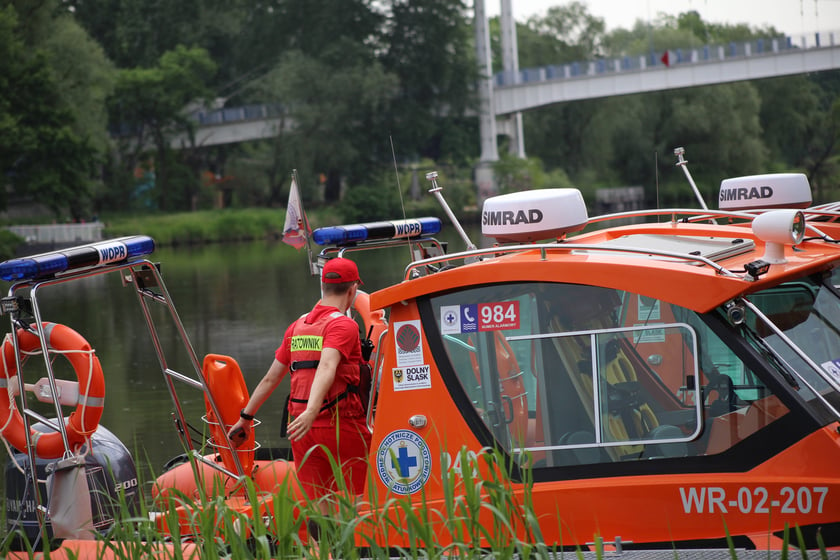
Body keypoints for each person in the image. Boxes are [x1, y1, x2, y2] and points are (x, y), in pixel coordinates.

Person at [227, 257, 372, 545]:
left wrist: (245, 417)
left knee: (320, 503)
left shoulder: (297, 326)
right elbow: (328, 367)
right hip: (340, 424)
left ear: (323, 285)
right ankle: (358, 549)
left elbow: (271, 378)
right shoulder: (343, 326)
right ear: (352, 289)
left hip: (301, 430)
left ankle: (325, 551)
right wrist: (313, 410)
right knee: (360, 496)